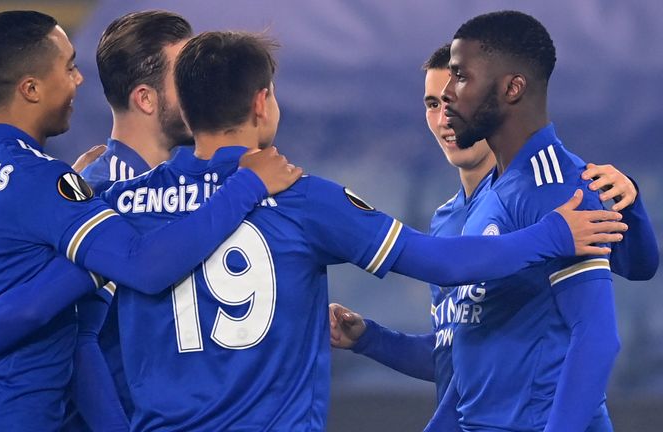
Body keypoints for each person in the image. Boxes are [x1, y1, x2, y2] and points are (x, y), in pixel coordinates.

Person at [98, 30, 625, 430]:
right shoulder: (304, 198)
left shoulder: (120, 201)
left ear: (185, 109)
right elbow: (441, 263)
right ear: (262, 102)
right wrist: (554, 234)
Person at [0, 10, 303, 431]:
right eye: (69, 67)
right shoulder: (69, 186)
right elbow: (61, 319)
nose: (78, 79)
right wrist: (247, 187)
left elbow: (25, 288)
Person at [329, 42, 658, 425]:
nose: (445, 117)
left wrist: (627, 203)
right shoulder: (445, 220)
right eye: (432, 104)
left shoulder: (547, 187)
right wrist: (370, 338)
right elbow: (461, 358)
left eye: (454, 99)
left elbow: (633, 277)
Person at [428, 10, 658, 431]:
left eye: (459, 76)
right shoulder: (489, 194)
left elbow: (598, 339)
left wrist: (632, 205)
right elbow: (470, 349)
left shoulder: (559, 187)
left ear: (513, 87)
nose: (447, 95)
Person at [65, 10, 196, 430]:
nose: (205, 88)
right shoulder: (99, 197)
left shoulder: (188, 186)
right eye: (188, 76)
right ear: (145, 98)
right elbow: (77, 342)